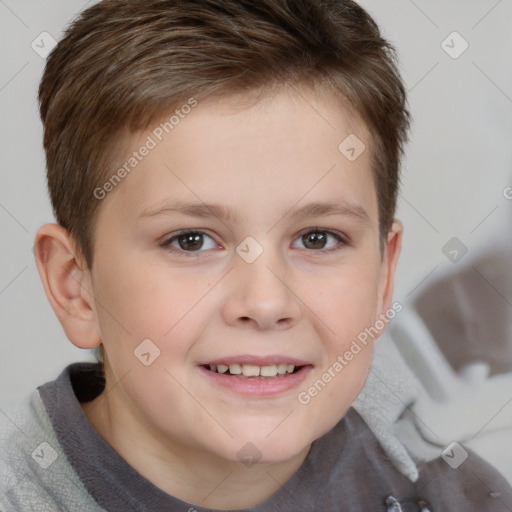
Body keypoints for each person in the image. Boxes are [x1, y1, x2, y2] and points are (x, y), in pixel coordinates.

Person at [1, 0, 511, 510]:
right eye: (191, 241)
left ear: (382, 278)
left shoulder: (458, 497)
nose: (266, 303)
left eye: (317, 238)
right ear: (77, 287)